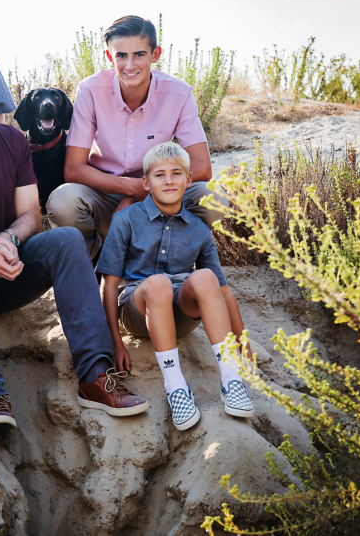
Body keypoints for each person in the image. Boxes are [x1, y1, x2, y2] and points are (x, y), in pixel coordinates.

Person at [0, 48, 149, 431]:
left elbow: (30, 212)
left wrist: (8, 240)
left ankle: (95, 376)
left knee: (66, 240)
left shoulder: (12, 141)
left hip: (10, 273)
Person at [95, 143, 254, 431]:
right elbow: (110, 283)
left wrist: (242, 340)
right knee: (157, 284)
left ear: (188, 180)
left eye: (176, 173)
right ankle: (176, 387)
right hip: (138, 311)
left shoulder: (198, 228)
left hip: (182, 315)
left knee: (205, 277)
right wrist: (115, 341)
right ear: (146, 182)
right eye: (160, 175)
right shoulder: (126, 220)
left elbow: (224, 289)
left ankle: (231, 379)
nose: (169, 180)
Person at [47, 14, 228, 259]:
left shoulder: (178, 94)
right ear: (110, 56)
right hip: (104, 194)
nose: (130, 65)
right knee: (63, 201)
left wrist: (141, 194)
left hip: (160, 192)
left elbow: (202, 168)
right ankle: (94, 257)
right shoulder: (90, 90)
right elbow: (74, 169)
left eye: (139, 54)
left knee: (213, 198)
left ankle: (168, 255)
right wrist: (132, 189)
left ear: (155, 54)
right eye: (121, 55)